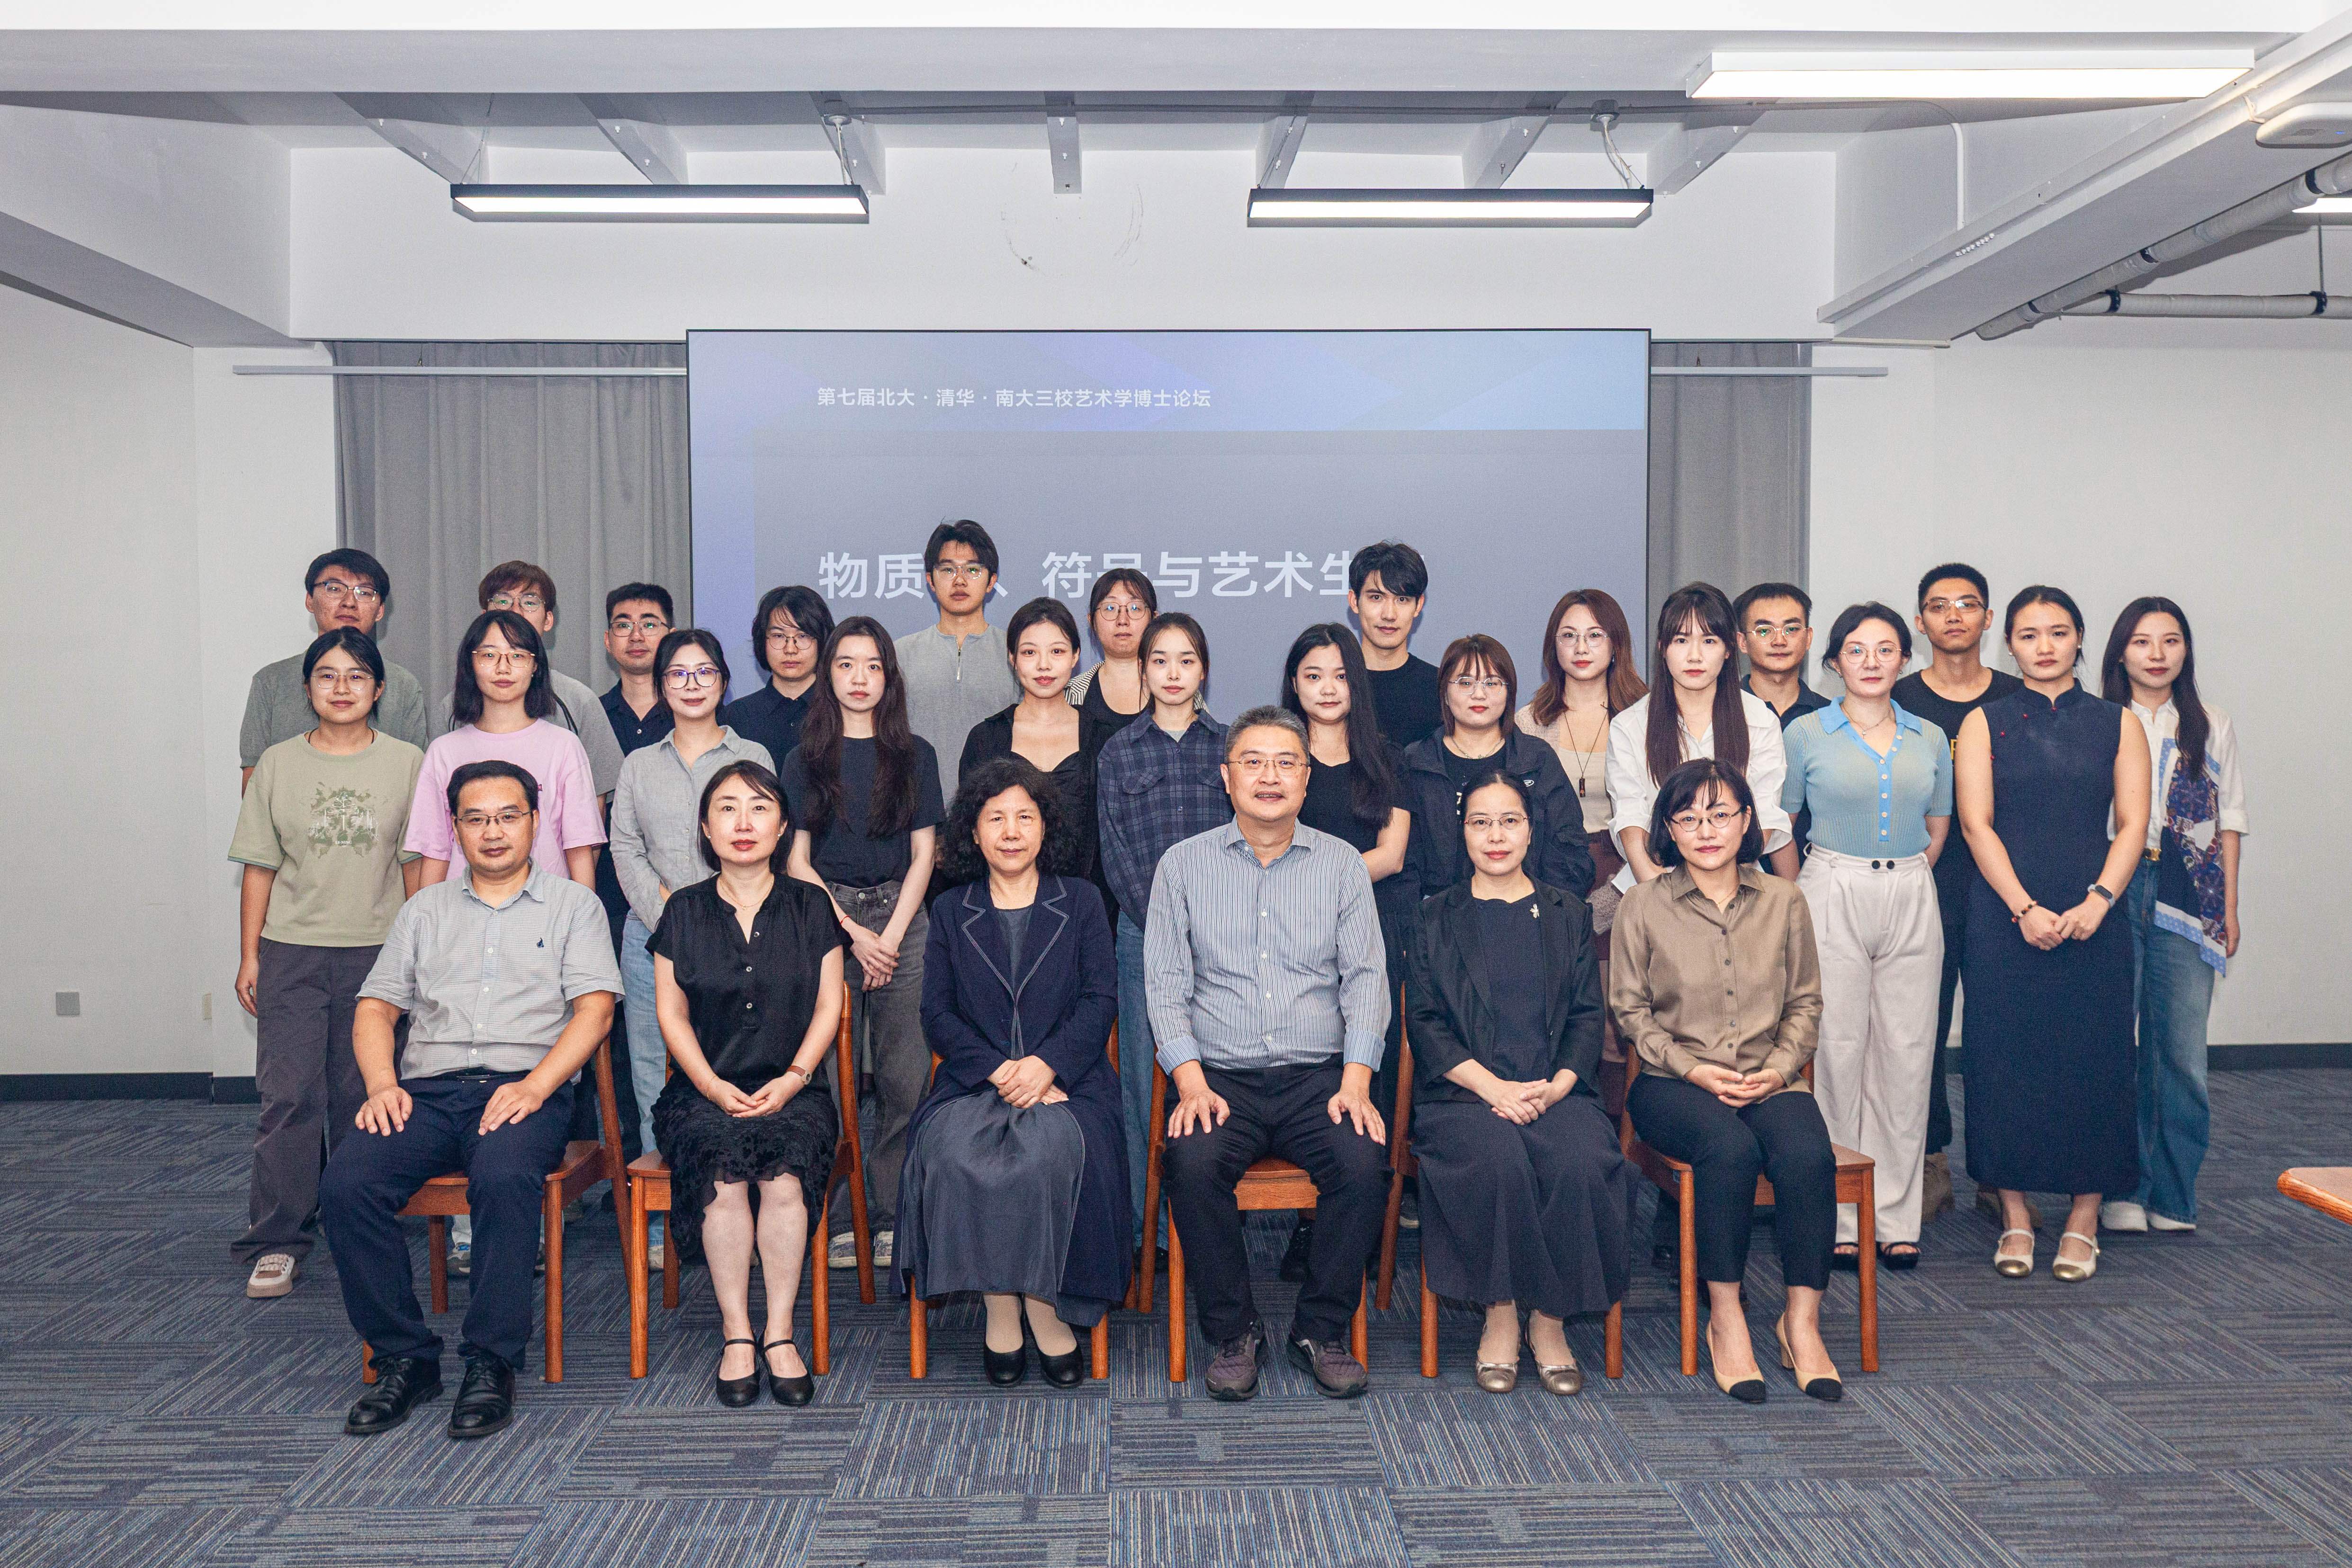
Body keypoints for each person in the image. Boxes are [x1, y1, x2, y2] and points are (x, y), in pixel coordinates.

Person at [323, 760, 621, 1441]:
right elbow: (375, 1008)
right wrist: (382, 1085)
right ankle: (405, 1357)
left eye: (508, 815)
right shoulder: (423, 910)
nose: (493, 831)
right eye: (476, 818)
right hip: (425, 1092)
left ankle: (491, 1359)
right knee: (346, 1184)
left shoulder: (575, 906)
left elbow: (596, 1010)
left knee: (505, 1177)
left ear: (535, 822)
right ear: (454, 827)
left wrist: (537, 1085)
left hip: (525, 1088)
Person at [1148, 706, 1391, 1401]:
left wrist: (1355, 1081)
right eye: (1252, 761)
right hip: (1218, 1078)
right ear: (1225, 777)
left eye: (1286, 762)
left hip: (1320, 1078)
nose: (1269, 776)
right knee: (1192, 1163)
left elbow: (1366, 979)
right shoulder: (1182, 865)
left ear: (1307, 780)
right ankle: (1235, 1330)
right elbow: (1164, 984)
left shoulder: (1341, 864)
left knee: (1363, 1161)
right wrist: (1189, 1082)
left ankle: (1320, 1328)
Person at [898, 758, 1131, 1386]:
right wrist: (1002, 1070)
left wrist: (1047, 1063)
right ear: (973, 833)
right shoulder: (952, 910)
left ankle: (1044, 1305)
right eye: (994, 817)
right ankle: (1000, 1306)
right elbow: (937, 1013)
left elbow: (1100, 999)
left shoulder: (1080, 900)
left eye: (1024, 817)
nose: (1010, 831)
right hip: (975, 1080)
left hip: (1070, 1080)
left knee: (1049, 1153)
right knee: (952, 1154)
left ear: (1044, 826)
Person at [1614, 760, 1840, 1404]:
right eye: (1687, 817)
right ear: (1667, 829)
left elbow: (1805, 1001)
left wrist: (1779, 1068)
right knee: (1730, 1150)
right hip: (1672, 1083)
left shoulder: (1784, 900)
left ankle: (1800, 1321)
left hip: (1769, 1076)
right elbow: (1629, 1010)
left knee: (1807, 1154)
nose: (1706, 830)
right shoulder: (1643, 904)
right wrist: (1691, 1067)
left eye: (1720, 814)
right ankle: (1726, 1315)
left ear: (1747, 821)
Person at [1407, 772, 1632, 1396]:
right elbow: (1424, 1022)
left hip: (1554, 1088)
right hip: (1464, 1094)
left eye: (1510, 820)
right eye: (1480, 822)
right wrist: (1493, 1090)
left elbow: (1586, 1015)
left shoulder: (1567, 913)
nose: (1496, 835)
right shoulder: (1433, 915)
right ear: (1462, 831)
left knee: (1581, 1160)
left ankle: (1550, 1320)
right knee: (1498, 1160)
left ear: (1531, 829)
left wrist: (1556, 1086)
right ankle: (1501, 1312)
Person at [1956, 587, 2149, 1284]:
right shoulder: (1984, 720)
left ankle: (2083, 1217)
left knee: (2095, 1061)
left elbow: (2131, 823)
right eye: (2029, 634)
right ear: (2008, 643)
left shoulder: (2118, 722)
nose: (2044, 645)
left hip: (2094, 912)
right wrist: (2023, 907)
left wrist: (2100, 898)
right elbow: (1975, 823)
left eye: (2058, 632)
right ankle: (2013, 1213)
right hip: (2006, 913)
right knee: (2002, 1058)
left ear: (2079, 639)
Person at [228, 628, 425, 1300]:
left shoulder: (408, 762)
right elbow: (259, 865)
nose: (342, 687)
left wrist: (417, 955)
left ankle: (358, 1227)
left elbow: (417, 867)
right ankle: (277, 1240)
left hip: (379, 952)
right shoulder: (278, 763)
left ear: (378, 688)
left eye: (356, 675)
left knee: (363, 1098)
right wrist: (250, 953)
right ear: (308, 687)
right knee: (289, 1097)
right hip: (292, 950)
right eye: (328, 675)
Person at [645, 760, 844, 1407]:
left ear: (782, 826)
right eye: (727, 808)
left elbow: (830, 1005)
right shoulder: (682, 909)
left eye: (759, 807)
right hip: (701, 1090)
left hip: (796, 1087)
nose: (743, 822)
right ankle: (737, 1333)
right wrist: (708, 1085)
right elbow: (671, 1013)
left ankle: (779, 1332)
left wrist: (794, 1077)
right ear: (705, 828)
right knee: (724, 1171)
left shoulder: (811, 905)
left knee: (783, 1174)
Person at [1780, 604, 1951, 1271]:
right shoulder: (1805, 732)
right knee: (1837, 1051)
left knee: (1907, 1054)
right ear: (1833, 661)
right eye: (1856, 649)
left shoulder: (1929, 735)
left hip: (1910, 887)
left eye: (1885, 648)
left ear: (1905, 658)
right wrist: (1801, 893)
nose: (1871, 660)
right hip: (1830, 885)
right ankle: (1841, 1216)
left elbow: (1938, 822)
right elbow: (1781, 821)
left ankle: (1895, 1218)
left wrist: (1902, 875)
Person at [779, 616, 944, 1273]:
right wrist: (851, 933)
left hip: (903, 915)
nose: (859, 678)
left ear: (888, 678)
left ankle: (893, 1213)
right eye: (847, 664)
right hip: (827, 917)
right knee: (834, 1076)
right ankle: (844, 1215)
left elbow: (925, 853)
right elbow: (796, 860)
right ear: (829, 674)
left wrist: (891, 936)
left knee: (905, 1075)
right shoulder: (803, 758)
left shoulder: (916, 754)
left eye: (873, 666)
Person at [610, 628, 774, 1265]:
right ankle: (667, 1224)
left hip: (742, 939)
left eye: (704, 672)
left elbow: (763, 838)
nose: (691, 684)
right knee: (654, 1072)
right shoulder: (638, 764)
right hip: (652, 940)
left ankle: (740, 1214)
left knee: (738, 1068)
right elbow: (626, 848)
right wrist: (677, 925)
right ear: (661, 685)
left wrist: (717, 925)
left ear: (724, 682)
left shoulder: (751, 754)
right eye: (677, 674)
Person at [2097, 597, 2246, 1236]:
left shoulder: (2211, 723)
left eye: (2170, 640)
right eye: (2141, 641)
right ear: (2119, 652)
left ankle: (2174, 1194)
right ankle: (2119, 1187)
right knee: (2113, 1043)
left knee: (2181, 1052)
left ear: (2186, 650)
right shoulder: (2099, 719)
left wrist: (2228, 906)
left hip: (2189, 892)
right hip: (2113, 884)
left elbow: (2229, 818)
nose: (2156, 654)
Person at [1279, 624, 1413, 1279]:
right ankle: (1309, 1222)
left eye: (1338, 675)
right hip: (1291, 934)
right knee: (1310, 1069)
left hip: (1371, 929)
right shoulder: (1279, 755)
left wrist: (1322, 878)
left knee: (1366, 1070)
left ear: (1355, 683)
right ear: (1294, 684)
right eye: (1313, 675)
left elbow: (1392, 853)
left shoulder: (1386, 757)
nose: (1327, 688)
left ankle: (1356, 1225)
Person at [1094, 612, 1229, 1259]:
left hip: (1223, 938)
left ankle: (1200, 1224)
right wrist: (1167, 925)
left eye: (1186, 660)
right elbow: (1115, 853)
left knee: (1214, 1070)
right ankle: (1139, 1232)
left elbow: (1246, 841)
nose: (1173, 673)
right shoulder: (1118, 751)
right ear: (1142, 670)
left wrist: (1209, 926)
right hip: (1140, 934)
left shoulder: (1230, 747)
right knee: (1142, 1084)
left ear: (1203, 671)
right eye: (1160, 660)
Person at [1890, 564, 2022, 1217]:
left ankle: (2001, 1171)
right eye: (1938, 606)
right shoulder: (1898, 697)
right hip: (1926, 882)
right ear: (1919, 622)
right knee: (1922, 1027)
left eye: (1967, 604)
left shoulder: (2018, 697)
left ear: (1988, 619)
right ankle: (1930, 1159)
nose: (1953, 616)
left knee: (2001, 1031)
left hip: (2004, 885)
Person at [1517, 588, 1648, 1117]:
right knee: (1556, 1016)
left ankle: (1621, 1140)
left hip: (1628, 871)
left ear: (1616, 644)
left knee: (1616, 1022)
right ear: (1553, 646)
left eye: (1595, 635)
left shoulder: (1645, 716)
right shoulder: (1529, 720)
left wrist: (1613, 895)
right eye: (1568, 636)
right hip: (1548, 875)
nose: (1581, 647)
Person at [1608, 582, 1796, 889]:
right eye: (1681, 640)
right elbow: (1631, 825)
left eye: (1709, 641)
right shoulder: (1629, 726)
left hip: (1737, 885)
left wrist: (1719, 892)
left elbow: (1762, 818)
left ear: (1729, 649)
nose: (1694, 656)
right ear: (1663, 648)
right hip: (1654, 885)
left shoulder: (1760, 720)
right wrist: (1667, 901)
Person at [407, 611, 604, 891]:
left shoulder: (564, 746)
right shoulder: (443, 752)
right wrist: (426, 914)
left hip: (546, 908)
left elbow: (579, 848)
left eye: (518, 656)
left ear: (535, 666)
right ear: (470, 664)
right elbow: (435, 852)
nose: (503, 668)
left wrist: (586, 914)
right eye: (489, 655)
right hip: (463, 910)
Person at [1400, 635, 1595, 899]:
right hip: (1438, 916)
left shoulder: (1536, 760)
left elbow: (1569, 851)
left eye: (1492, 683)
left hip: (1529, 912)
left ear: (1509, 692)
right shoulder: (1417, 763)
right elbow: (1405, 863)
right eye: (1466, 683)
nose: (1479, 694)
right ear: (1445, 694)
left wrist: (1545, 910)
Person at [592, 583, 676, 1160]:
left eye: (650, 622)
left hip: (677, 903)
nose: (637, 634)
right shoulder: (589, 714)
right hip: (607, 897)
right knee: (618, 1042)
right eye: (624, 623)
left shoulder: (694, 707)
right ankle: (623, 1172)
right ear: (607, 639)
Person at [959, 597, 1116, 884]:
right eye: (1030, 652)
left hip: (1089, 900)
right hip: (1002, 899)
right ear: (1013, 658)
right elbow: (970, 834)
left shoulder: (1104, 738)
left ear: (1076, 656)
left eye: (1057, 651)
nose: (1044, 665)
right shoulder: (985, 739)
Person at [240, 549, 430, 785]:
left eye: (365, 593)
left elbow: (419, 784)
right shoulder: (271, 681)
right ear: (310, 600)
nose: (349, 602)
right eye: (334, 589)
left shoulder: (403, 685)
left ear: (380, 610)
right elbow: (254, 785)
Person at [444, 562, 627, 798]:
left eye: (529, 603)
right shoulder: (451, 708)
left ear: (548, 620)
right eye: (502, 601)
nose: (515, 612)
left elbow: (595, 801)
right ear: (483, 617)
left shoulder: (579, 701)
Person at [896, 520, 1020, 800]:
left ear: (992, 581)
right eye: (948, 570)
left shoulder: (1017, 653)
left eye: (973, 570)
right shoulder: (900, 654)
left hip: (996, 812)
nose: (960, 580)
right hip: (918, 813)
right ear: (930, 580)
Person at [1735, 582, 1831, 871]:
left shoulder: (1832, 718)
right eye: (1764, 631)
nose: (1779, 641)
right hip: (1736, 872)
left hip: (1824, 876)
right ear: (1742, 642)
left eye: (1791, 629)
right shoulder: (1721, 714)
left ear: (1809, 637)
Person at [725, 584, 835, 767]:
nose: (790, 649)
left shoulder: (840, 712)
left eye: (803, 636)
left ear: (822, 641)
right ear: (763, 641)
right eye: (778, 636)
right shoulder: (737, 717)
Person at [1347, 540, 1441, 750]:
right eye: (1376, 597)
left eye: (1402, 599)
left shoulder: (1441, 687)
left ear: (1418, 605)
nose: (1389, 615)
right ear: (1354, 601)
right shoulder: (1333, 686)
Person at [1065, 565, 1158, 732]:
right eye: (1110, 608)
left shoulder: (1179, 689)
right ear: (1092, 621)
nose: (1123, 620)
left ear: (1154, 620)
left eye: (1135, 608)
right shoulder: (1070, 695)